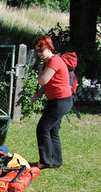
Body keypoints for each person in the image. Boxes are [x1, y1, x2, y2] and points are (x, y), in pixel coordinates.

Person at [30, 36, 73, 169]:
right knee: (53, 131)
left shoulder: (54, 61)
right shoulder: (51, 62)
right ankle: (57, 162)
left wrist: (40, 70)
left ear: (49, 48)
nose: (39, 54)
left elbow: (42, 80)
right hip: (61, 101)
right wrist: (37, 95)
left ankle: (45, 161)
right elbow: (47, 84)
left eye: (41, 50)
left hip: (60, 101)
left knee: (42, 128)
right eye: (37, 51)